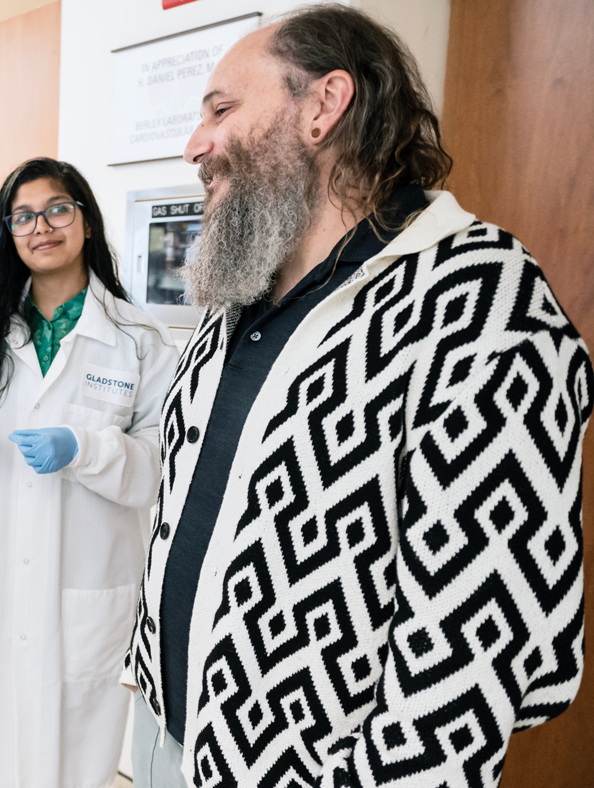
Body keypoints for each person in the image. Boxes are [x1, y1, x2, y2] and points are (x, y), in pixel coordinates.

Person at [125, 7, 591, 788]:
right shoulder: (241, 298)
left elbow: (467, 664)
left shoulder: (480, 302)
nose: (195, 146)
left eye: (221, 109)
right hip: (171, 740)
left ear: (323, 105)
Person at [0, 157, 179, 788]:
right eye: (24, 216)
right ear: (9, 233)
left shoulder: (138, 337)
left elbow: (159, 467)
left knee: (76, 750)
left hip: (85, 587)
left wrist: (86, 450)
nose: (42, 226)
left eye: (58, 209)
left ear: (85, 222)